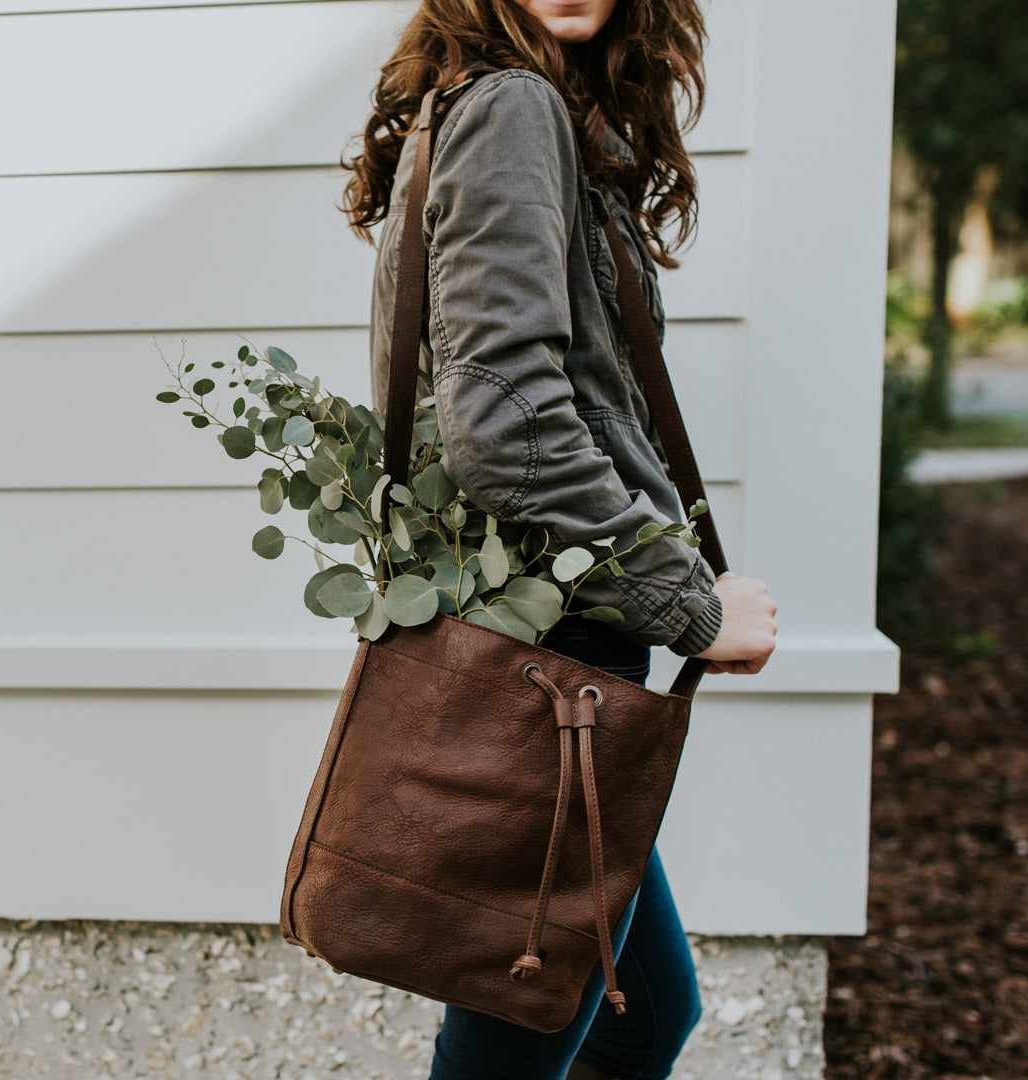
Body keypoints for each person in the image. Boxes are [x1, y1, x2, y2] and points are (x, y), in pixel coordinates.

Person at [344, 1, 778, 1077]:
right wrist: (694, 605)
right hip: (560, 656)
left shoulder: (503, 109)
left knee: (639, 1020)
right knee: (524, 1041)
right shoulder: (514, 107)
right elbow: (507, 426)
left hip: (554, 645)